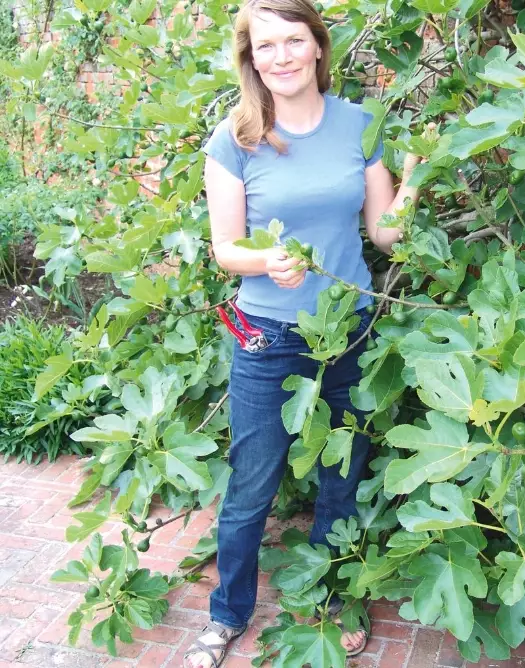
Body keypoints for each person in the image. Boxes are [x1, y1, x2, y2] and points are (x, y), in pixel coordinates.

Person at [184, 1, 421, 666]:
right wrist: (267, 261)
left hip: (348, 333)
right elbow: (226, 249)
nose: (281, 56)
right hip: (268, 338)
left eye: (293, 40)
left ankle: (331, 598)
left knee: (342, 474)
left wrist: (417, 175)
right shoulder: (234, 139)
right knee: (251, 485)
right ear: (251, 59)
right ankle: (227, 615)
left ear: (318, 46)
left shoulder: (359, 124)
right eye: (266, 45)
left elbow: (385, 235)